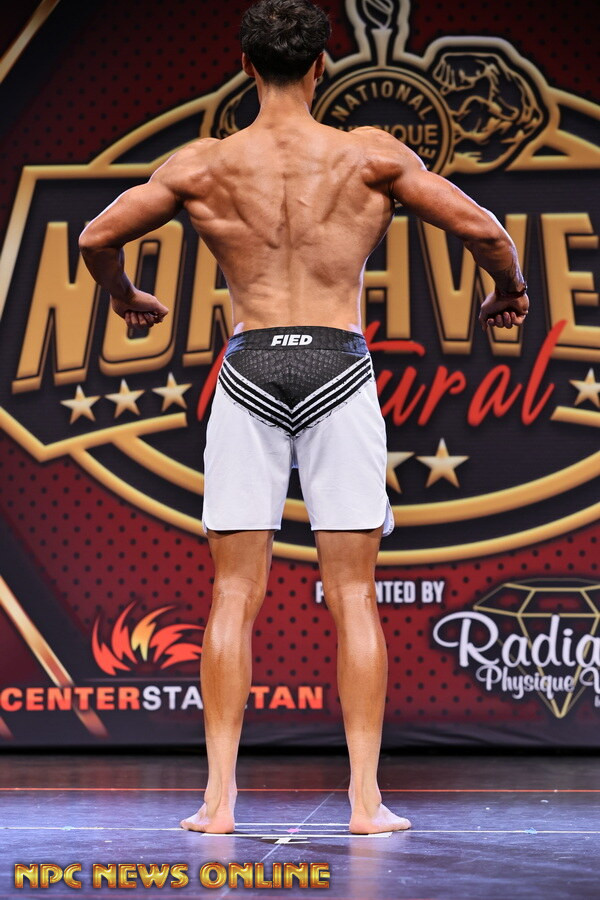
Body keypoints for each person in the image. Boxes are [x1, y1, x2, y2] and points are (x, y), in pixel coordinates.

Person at [78, 0, 529, 835]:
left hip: (249, 367)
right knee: (353, 593)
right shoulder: (369, 154)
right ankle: (364, 801)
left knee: (233, 592)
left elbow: (96, 237)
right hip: (337, 365)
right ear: (323, 65)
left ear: (246, 66)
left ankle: (218, 802)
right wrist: (508, 290)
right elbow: (485, 230)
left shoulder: (201, 164)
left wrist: (126, 295)